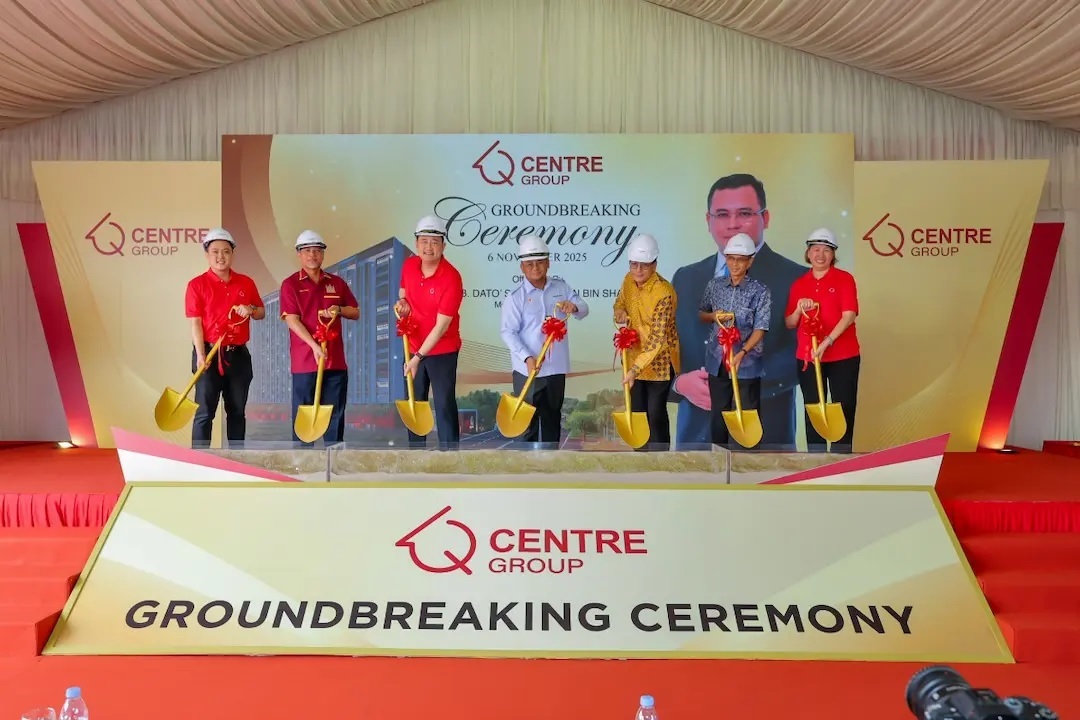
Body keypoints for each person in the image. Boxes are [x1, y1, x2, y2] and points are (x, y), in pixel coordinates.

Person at [671, 173, 804, 450]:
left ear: (765, 218)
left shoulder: (796, 279)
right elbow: (668, 347)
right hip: (694, 446)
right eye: (722, 214)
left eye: (744, 213)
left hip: (765, 442)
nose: (732, 224)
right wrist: (678, 383)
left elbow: (803, 358)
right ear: (708, 221)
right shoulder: (685, 278)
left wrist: (735, 383)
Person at [499, 234, 589, 446]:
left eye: (540, 262)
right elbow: (508, 332)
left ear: (548, 263)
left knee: (552, 421)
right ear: (522, 267)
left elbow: (584, 309)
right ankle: (526, 473)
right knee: (526, 425)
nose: (535, 268)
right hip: (528, 370)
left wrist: (574, 307)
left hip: (555, 369)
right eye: (529, 264)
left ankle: (552, 472)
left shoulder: (561, 288)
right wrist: (526, 358)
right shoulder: (515, 297)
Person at [184, 228, 265, 449]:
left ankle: (238, 460)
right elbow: (196, 324)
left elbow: (261, 312)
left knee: (237, 411)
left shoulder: (246, 283)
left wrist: (250, 308)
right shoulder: (196, 285)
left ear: (233, 254)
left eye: (226, 251)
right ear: (207, 255)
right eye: (215, 251)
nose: (221, 256)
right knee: (204, 412)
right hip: (208, 355)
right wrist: (201, 356)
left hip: (238, 356)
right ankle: (199, 465)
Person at [279, 230, 360, 445]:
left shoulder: (337, 283)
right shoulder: (290, 285)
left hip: (335, 362)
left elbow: (355, 311)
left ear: (323, 254)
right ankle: (303, 468)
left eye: (317, 251)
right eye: (307, 251)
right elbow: (292, 320)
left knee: (334, 417)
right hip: (305, 362)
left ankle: (333, 466)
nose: (312, 255)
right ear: (299, 254)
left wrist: (338, 309)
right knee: (304, 419)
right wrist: (314, 346)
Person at [784, 228, 861, 453]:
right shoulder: (799, 284)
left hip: (843, 356)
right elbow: (789, 322)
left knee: (843, 407)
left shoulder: (844, 279)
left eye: (826, 250)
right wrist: (799, 309)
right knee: (814, 407)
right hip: (808, 357)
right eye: (815, 249)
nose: (820, 254)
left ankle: (841, 459)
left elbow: (849, 315)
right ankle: (815, 461)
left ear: (833, 254)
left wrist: (827, 342)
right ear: (808, 253)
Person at [394, 215, 465, 451]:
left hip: (442, 350)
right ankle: (416, 457)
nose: (429, 247)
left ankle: (450, 456)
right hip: (412, 345)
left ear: (443, 245)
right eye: (424, 241)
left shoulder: (452, 277)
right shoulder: (409, 266)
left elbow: (441, 326)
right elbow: (403, 294)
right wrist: (402, 304)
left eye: (434, 242)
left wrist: (417, 358)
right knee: (415, 403)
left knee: (444, 403)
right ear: (416, 244)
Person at [697, 233, 772, 449]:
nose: (735, 264)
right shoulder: (715, 285)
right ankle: (719, 462)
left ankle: (748, 464)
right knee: (719, 413)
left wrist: (743, 352)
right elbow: (702, 313)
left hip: (747, 363)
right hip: (717, 360)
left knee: (748, 414)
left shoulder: (760, 291)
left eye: (740, 259)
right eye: (730, 258)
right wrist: (714, 316)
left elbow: (761, 328)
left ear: (750, 260)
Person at [613, 233, 680, 452]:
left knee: (655, 412)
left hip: (659, 362)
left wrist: (634, 369)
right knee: (637, 412)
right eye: (634, 265)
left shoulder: (664, 292)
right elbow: (619, 303)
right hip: (632, 356)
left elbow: (657, 340)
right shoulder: (627, 280)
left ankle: (661, 462)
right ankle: (640, 459)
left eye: (644, 266)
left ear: (655, 265)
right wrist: (620, 311)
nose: (638, 271)